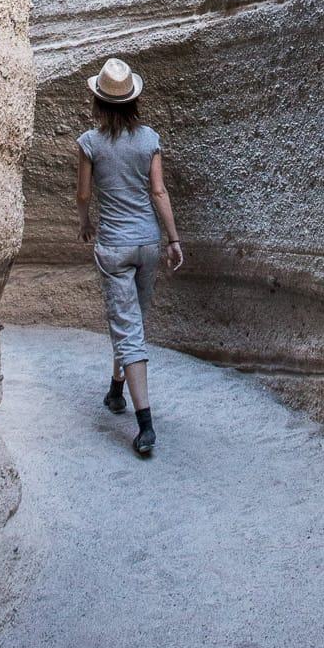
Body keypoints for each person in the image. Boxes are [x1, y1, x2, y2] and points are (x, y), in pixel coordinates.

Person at [75, 57, 183, 457]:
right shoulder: (149, 138)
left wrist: (85, 223)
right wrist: (173, 239)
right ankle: (116, 390)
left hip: (115, 245)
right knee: (132, 321)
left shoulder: (90, 142)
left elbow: (84, 194)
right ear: (133, 100)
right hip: (147, 245)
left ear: (99, 103)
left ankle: (145, 426)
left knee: (127, 327)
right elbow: (158, 193)